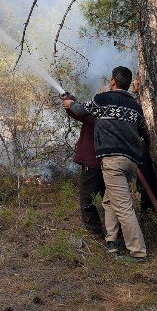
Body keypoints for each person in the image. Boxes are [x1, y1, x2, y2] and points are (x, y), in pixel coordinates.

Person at [62, 66, 147, 261]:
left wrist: (69, 102)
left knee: (123, 207)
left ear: (113, 82)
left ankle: (138, 252)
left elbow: (80, 109)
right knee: (109, 200)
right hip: (131, 162)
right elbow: (142, 131)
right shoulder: (135, 106)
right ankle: (111, 242)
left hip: (112, 161)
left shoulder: (104, 99)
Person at [63, 94, 105, 238]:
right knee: (111, 202)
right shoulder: (112, 114)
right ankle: (115, 234)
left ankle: (96, 232)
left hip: (93, 165)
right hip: (111, 164)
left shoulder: (95, 114)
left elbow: (75, 110)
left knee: (86, 199)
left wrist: (68, 99)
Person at [131, 76, 157, 212]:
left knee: (150, 186)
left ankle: (150, 217)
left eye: (136, 80)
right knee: (144, 189)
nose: (133, 83)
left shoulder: (147, 103)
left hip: (149, 154)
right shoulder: (135, 101)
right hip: (141, 153)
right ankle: (148, 217)